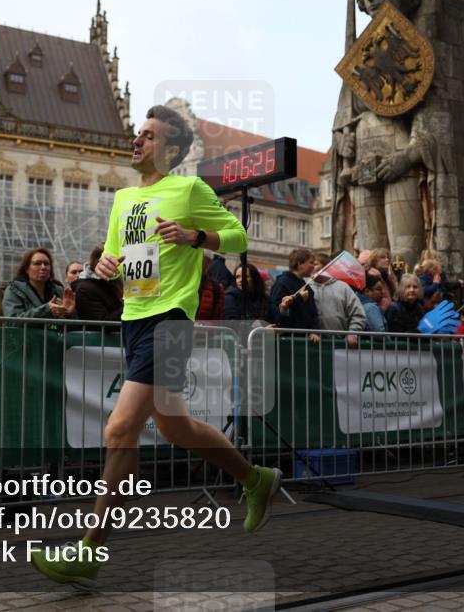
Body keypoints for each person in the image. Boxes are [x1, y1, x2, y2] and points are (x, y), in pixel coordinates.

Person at [31, 104, 280, 588]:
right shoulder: (123, 198)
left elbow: (237, 236)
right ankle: (255, 479)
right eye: (137, 134)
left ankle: (90, 549)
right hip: (134, 319)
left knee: (120, 428)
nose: (137, 141)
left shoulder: (188, 189)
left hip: (171, 320)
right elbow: (116, 260)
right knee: (175, 426)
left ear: (169, 149)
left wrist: (194, 236)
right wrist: (108, 268)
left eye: (148, 136)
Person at [3, 247, 76, 319]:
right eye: (37, 263)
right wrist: (47, 309)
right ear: (26, 269)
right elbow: (12, 321)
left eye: (47, 263)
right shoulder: (14, 290)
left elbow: (69, 327)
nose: (43, 267)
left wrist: (68, 313)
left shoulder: (59, 291)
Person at [311, 252, 367, 337]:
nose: (311, 267)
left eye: (315, 264)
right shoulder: (305, 287)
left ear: (327, 267)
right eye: (310, 264)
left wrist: (353, 333)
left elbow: (358, 313)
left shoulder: (343, 287)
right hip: (312, 344)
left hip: (339, 343)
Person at [70, 245, 123, 322]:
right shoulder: (85, 289)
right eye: (111, 261)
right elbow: (101, 322)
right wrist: (130, 306)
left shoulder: (112, 282)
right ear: (98, 263)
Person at [270, 248, 319, 330]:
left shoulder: (305, 285)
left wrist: (314, 330)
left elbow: (313, 313)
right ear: (300, 263)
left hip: (305, 337)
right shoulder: (282, 283)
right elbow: (276, 312)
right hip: (289, 337)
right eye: (311, 263)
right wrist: (298, 299)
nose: (314, 266)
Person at [196, 252, 225, 320]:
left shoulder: (217, 289)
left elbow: (216, 318)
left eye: (200, 258)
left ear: (209, 261)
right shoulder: (178, 282)